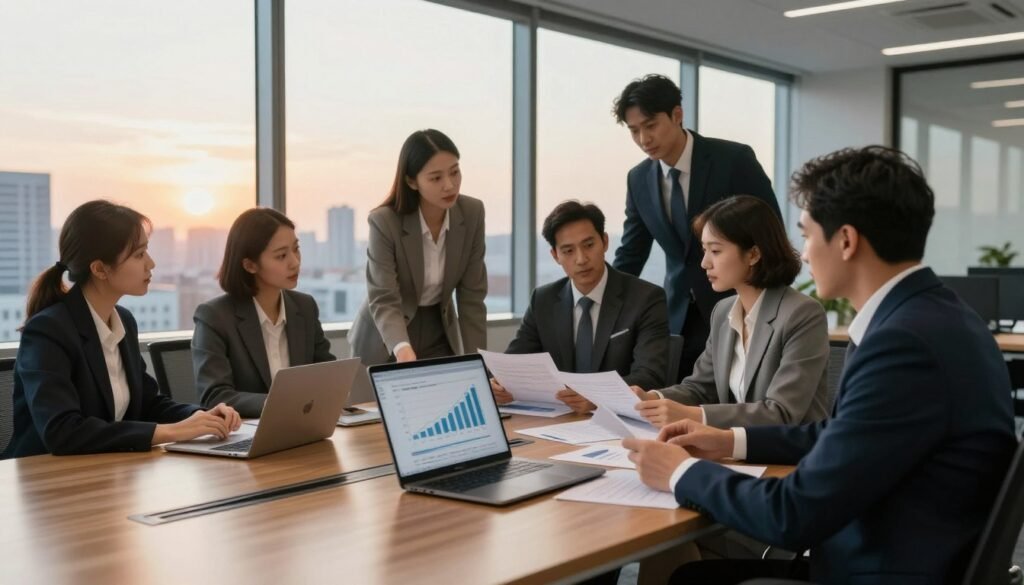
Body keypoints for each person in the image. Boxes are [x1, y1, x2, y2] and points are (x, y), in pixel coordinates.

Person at [623, 146, 1017, 584]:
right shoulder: (936, 317)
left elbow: (794, 514)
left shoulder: (903, 343)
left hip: (876, 568)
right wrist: (728, 442)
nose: (804, 254)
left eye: (808, 235)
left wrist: (679, 471)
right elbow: (839, 434)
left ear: (846, 240)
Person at [1, 200, 241, 459]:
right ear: (100, 269)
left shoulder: (123, 320)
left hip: (107, 471)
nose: (151, 264)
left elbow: (148, 403)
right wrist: (170, 432)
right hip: (44, 481)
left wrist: (199, 416)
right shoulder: (49, 330)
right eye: (139, 255)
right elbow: (62, 432)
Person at [611, 74, 781, 380]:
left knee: (739, 400)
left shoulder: (733, 159)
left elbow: (770, 233)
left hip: (740, 306)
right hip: (678, 317)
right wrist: (604, 302)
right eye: (634, 131)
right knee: (683, 400)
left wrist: (768, 306)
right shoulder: (638, 179)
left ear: (677, 115)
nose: (643, 139)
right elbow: (632, 252)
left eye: (650, 125)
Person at [633, 195, 829, 429]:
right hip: (736, 450)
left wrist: (694, 416)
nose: (705, 263)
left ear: (754, 254)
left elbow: (782, 413)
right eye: (704, 250)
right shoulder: (723, 311)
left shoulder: (802, 314)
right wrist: (652, 398)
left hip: (790, 456)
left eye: (715, 251)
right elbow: (700, 388)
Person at [491, 200, 668, 412]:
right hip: (560, 421)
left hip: (619, 420)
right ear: (555, 256)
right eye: (568, 251)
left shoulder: (646, 298)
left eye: (589, 245)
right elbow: (514, 364)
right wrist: (498, 382)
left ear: (604, 242)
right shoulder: (543, 300)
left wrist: (597, 398)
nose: (581, 259)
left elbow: (650, 375)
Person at [348, 129, 487, 366]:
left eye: (455, 172)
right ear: (412, 181)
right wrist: (402, 349)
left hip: (439, 328)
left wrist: (481, 364)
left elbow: (472, 298)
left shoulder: (472, 213)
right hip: (386, 337)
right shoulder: (384, 221)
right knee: (374, 404)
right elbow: (384, 297)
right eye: (436, 178)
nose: (450, 185)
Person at [192, 208, 335, 419]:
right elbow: (215, 396)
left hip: (303, 428)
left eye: (296, 249)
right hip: (249, 435)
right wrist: (278, 404)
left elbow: (328, 374)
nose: (295, 262)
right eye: (281, 256)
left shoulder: (304, 307)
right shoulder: (214, 317)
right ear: (250, 265)